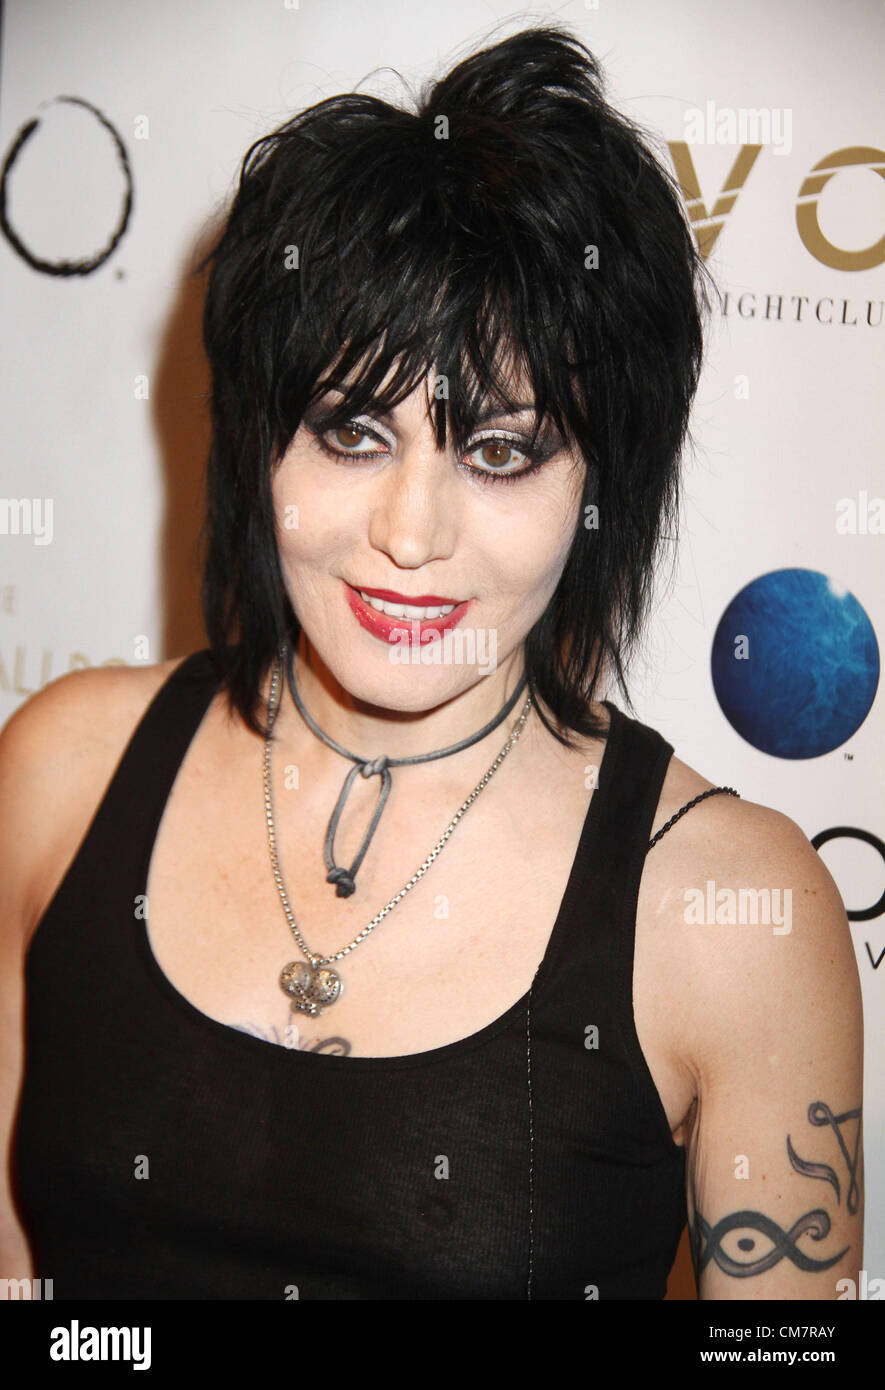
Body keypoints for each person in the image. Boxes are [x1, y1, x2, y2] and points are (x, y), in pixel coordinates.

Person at [0, 24, 863, 1301]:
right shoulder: (61, 771)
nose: (410, 533)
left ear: (602, 487)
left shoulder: (733, 913)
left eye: (500, 451)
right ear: (258, 442)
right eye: (350, 430)